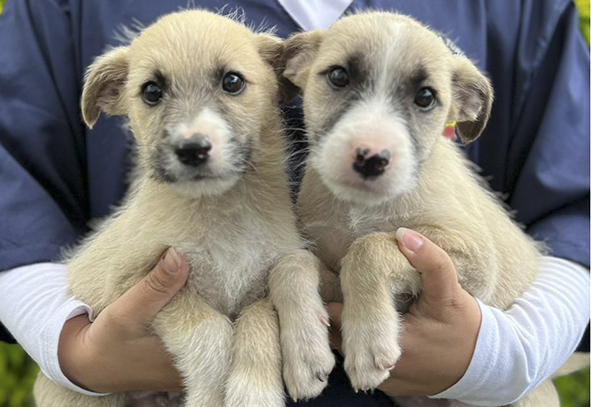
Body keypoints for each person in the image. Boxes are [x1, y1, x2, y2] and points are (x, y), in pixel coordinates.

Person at [0, 0, 588, 406]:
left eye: (234, 84)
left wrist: (511, 354)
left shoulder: (521, 8)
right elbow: (11, 183)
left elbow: (577, 198)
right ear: (296, 70)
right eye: (152, 93)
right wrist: (65, 344)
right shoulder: (62, 9)